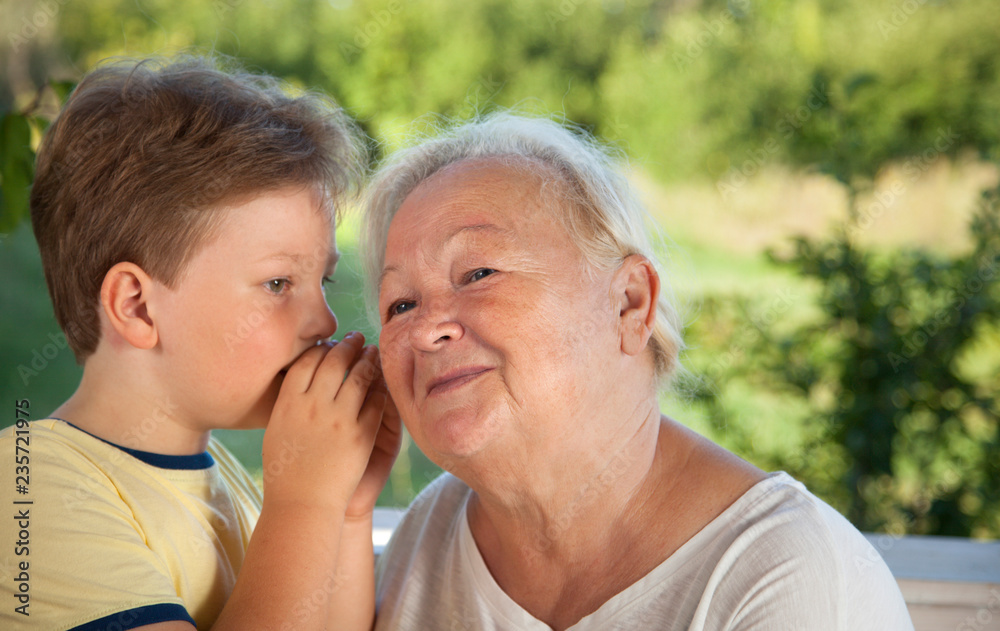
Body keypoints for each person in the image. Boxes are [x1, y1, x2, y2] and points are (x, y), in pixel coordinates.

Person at [362, 113, 914, 630]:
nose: (426, 329)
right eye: (400, 305)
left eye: (479, 272)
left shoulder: (787, 576)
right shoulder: (429, 535)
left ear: (629, 303)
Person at [0, 56, 399, 631]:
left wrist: (346, 509)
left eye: (324, 281)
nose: (324, 320)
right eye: (278, 284)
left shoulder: (225, 479)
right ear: (137, 307)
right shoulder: (32, 487)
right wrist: (304, 503)